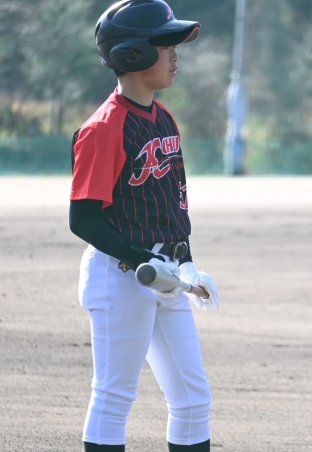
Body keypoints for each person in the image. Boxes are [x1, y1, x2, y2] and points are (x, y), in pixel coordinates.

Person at [68, 1, 219, 451]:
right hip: (119, 274)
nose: (175, 54)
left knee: (193, 400)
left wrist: (186, 263)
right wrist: (141, 261)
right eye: (165, 44)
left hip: (165, 273)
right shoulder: (103, 128)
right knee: (114, 397)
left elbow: (172, 203)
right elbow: (83, 217)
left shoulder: (164, 118)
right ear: (133, 54)